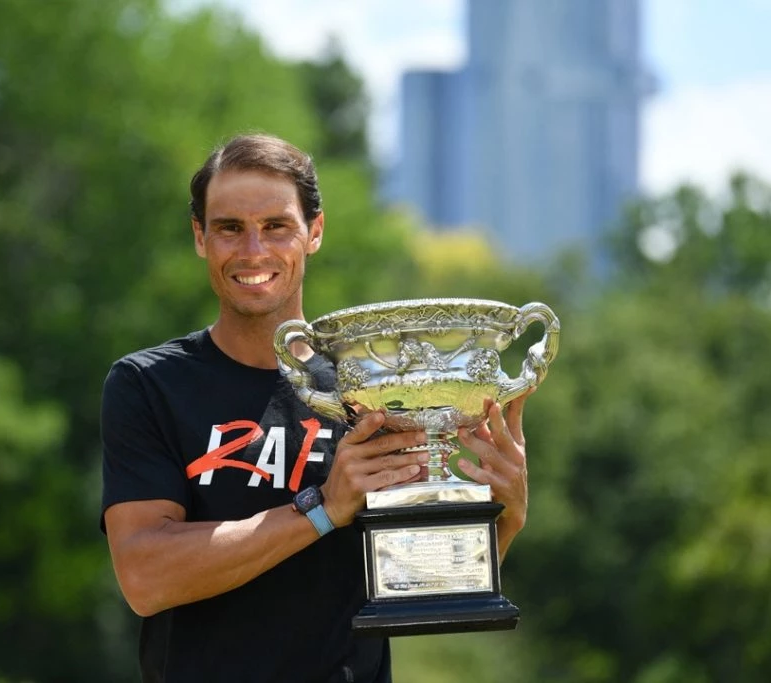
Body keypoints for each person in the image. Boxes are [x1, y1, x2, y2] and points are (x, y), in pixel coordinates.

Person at [100, 133, 531, 683]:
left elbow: (426, 574)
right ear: (200, 238)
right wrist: (322, 509)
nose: (253, 251)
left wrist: (506, 512)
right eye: (230, 228)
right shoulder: (149, 384)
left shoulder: (374, 390)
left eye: (276, 226)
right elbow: (146, 578)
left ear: (314, 233)